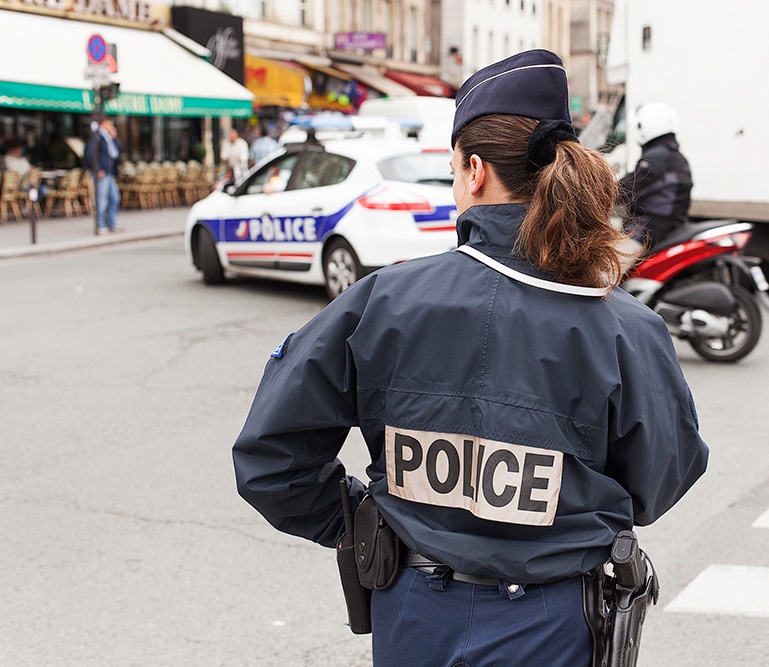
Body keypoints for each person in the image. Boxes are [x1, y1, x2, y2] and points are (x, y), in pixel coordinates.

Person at [232, 49, 709, 667]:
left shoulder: (381, 302)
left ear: (476, 172)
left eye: (453, 170)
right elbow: (663, 476)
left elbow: (273, 461)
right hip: (554, 622)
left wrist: (365, 519)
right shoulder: (625, 327)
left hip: (413, 614)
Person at [617, 102, 693, 249]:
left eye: (640, 126)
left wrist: (601, 194)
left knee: (608, 262)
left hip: (649, 230)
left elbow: (627, 187)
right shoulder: (677, 157)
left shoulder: (656, 157)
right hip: (672, 228)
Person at [83, 117, 122, 234]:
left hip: (109, 173)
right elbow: (90, 154)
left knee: (115, 198)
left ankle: (111, 223)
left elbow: (117, 152)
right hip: (102, 173)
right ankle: (100, 225)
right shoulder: (97, 137)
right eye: (109, 124)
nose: (111, 126)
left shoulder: (108, 138)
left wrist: (114, 138)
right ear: (102, 124)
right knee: (102, 200)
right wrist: (98, 169)